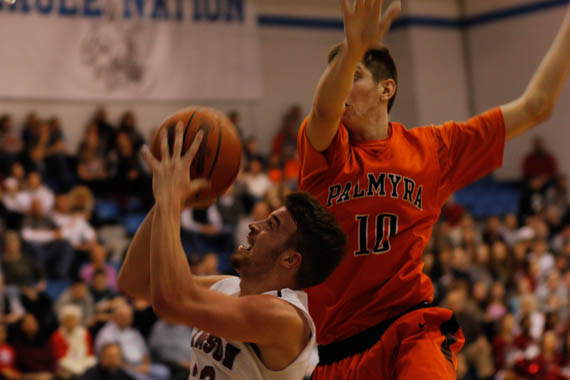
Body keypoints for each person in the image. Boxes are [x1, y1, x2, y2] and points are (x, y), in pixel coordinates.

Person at [296, 0, 570, 378]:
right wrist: (352, 49)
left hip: (410, 329)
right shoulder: (325, 150)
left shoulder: (434, 149)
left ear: (385, 89)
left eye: (353, 75)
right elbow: (324, 110)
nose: (341, 87)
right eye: (336, 77)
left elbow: (536, 105)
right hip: (337, 349)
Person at [118, 124, 347, 380]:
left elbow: (172, 300)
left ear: (290, 258)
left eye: (270, 225)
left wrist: (171, 201)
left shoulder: (284, 317)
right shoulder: (226, 287)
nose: (253, 225)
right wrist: (164, 203)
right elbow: (135, 284)